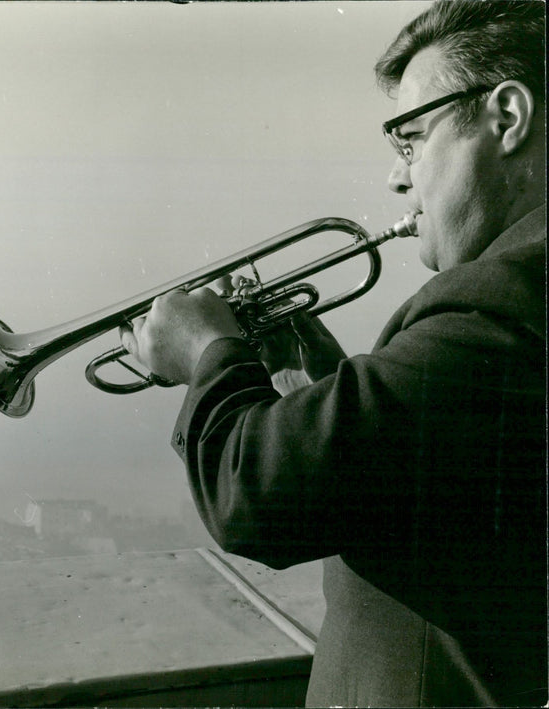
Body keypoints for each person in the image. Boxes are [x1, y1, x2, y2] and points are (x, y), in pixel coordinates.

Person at [120, 1, 546, 705]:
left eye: (411, 141)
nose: (397, 179)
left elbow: (256, 493)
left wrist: (209, 352)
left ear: (506, 118)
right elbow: (414, 481)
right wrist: (310, 375)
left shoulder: (499, 303)